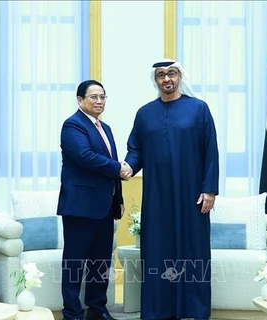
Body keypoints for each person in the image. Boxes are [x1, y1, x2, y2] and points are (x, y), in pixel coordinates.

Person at [123, 59, 219, 320]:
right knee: (157, 250)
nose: (167, 79)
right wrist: (129, 168)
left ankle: (195, 310)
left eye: (172, 74)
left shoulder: (198, 109)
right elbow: (136, 150)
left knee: (194, 250)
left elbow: (210, 151)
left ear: (180, 77)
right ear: (155, 80)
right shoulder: (144, 113)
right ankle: (157, 311)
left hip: (192, 196)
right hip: (157, 196)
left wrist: (209, 190)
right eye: (161, 75)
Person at [57, 80, 130, 320]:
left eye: (103, 97)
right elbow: (85, 157)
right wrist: (119, 168)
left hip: (104, 207)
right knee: (75, 263)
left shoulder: (105, 128)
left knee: (101, 262)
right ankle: (72, 313)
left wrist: (117, 198)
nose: (99, 101)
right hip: (80, 207)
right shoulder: (73, 126)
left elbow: (110, 164)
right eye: (94, 97)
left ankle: (97, 309)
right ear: (80, 100)